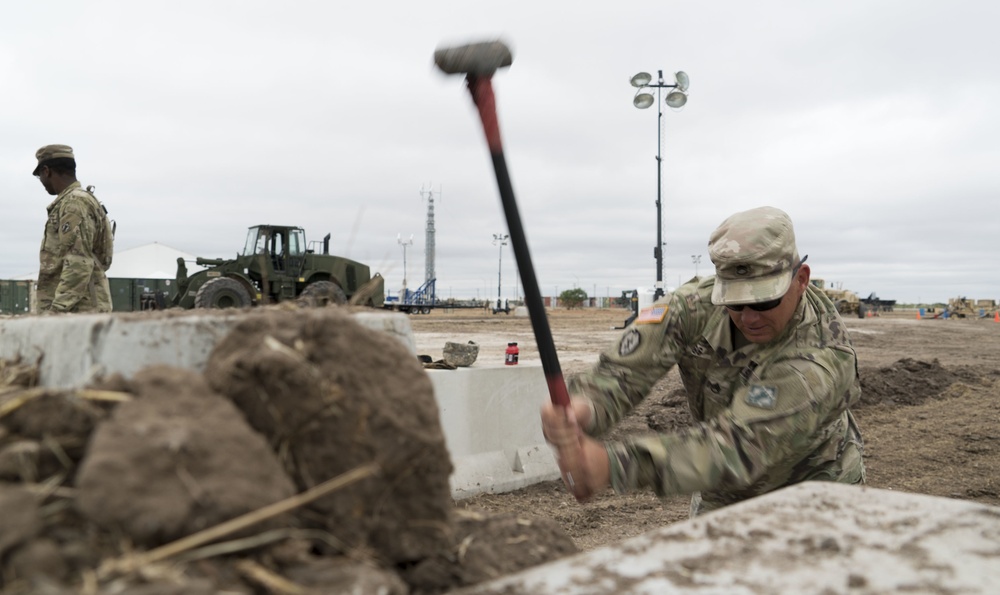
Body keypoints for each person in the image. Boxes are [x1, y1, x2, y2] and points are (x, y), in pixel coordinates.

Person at [541, 206, 865, 517]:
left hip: (814, 496)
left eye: (765, 301)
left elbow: (738, 447)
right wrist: (587, 405)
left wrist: (613, 465)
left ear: (801, 279)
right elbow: (626, 370)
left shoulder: (822, 357)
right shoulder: (694, 306)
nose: (748, 317)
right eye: (734, 303)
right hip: (724, 494)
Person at [33, 144, 114, 313]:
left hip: (77, 313)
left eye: (39, 175)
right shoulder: (76, 201)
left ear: (46, 171)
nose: (41, 182)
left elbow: (78, 263)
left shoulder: (73, 204)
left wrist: (56, 311)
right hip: (78, 310)